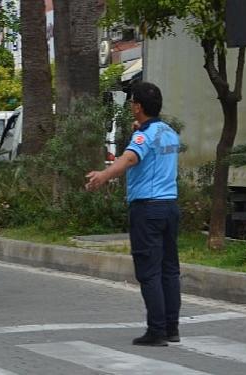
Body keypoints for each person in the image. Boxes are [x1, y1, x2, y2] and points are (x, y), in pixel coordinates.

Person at [85, 81, 181, 347]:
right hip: (170, 206)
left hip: (147, 208)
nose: (130, 106)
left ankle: (156, 331)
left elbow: (129, 159)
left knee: (149, 272)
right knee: (169, 270)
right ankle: (172, 327)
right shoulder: (170, 132)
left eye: (132, 102)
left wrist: (103, 175)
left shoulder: (142, 137)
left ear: (137, 106)